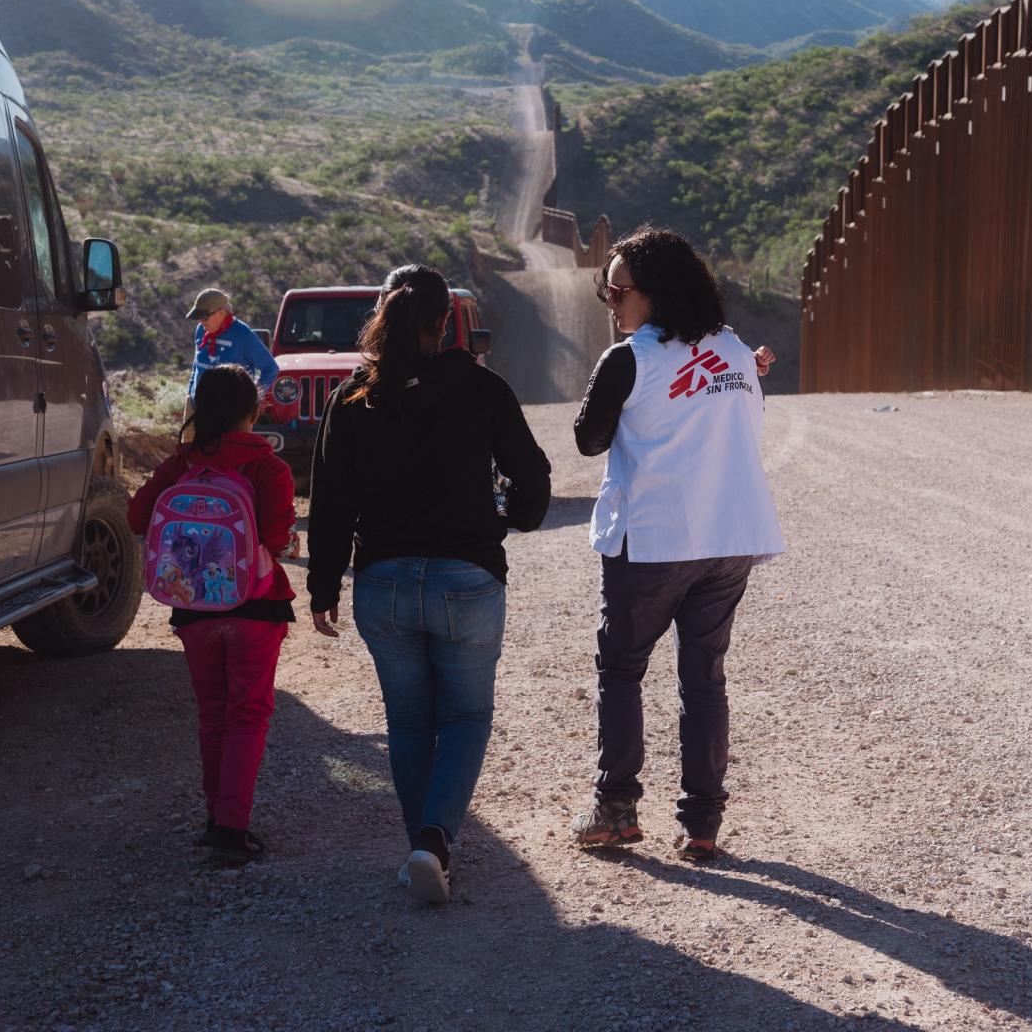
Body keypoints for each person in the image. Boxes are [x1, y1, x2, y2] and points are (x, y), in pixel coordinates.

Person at [307, 264, 552, 905]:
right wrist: (507, 519)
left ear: (384, 315)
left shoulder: (355, 394)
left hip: (382, 584)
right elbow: (534, 478)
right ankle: (434, 845)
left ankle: (423, 847)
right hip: (465, 579)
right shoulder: (482, 387)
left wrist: (324, 586)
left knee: (410, 724)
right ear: (447, 320)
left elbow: (330, 500)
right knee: (467, 715)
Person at [571, 225, 785, 862]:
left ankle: (615, 808)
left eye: (616, 291)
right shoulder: (740, 351)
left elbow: (587, 440)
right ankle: (701, 824)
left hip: (656, 539)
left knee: (622, 668)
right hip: (730, 539)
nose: (610, 303)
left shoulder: (630, 358)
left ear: (653, 295)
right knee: (704, 677)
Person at [127, 364, 298, 866]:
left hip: (194, 610)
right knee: (248, 713)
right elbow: (274, 538)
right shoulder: (269, 468)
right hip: (256, 609)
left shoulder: (181, 465)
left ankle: (214, 817)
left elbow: (138, 517)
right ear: (255, 409)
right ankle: (231, 827)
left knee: (213, 714)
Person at [183, 287, 280, 434]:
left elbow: (270, 368)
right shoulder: (201, 330)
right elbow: (197, 366)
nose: (200, 321)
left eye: (204, 317)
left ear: (221, 312)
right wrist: (189, 395)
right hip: (199, 413)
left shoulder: (243, 335)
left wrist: (251, 400)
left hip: (229, 420)